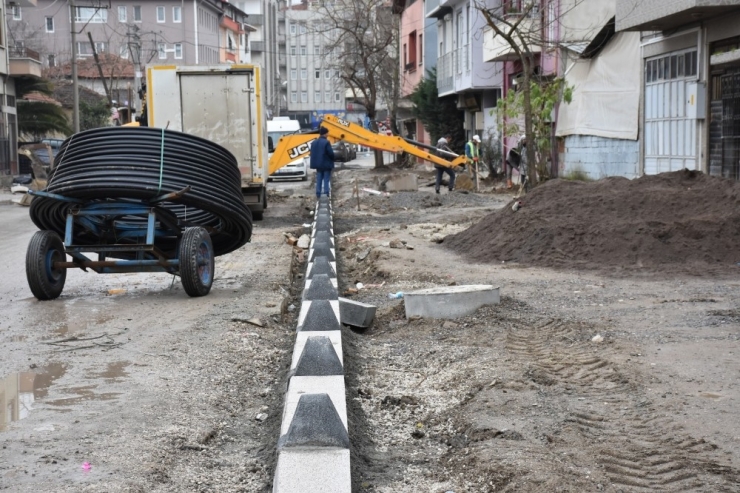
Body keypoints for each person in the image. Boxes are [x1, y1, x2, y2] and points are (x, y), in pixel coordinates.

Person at [309, 126, 335, 199]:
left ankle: (318, 193)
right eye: (327, 133)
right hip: (326, 164)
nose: (328, 134)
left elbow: (312, 153)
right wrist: (333, 158)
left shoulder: (314, 142)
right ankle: (326, 193)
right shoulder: (326, 142)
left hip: (318, 165)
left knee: (319, 179)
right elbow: (330, 153)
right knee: (326, 179)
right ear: (325, 134)